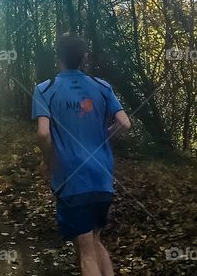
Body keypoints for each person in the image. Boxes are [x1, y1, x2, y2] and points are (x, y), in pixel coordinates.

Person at [32, 34, 132, 276]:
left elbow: (43, 134)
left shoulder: (45, 89)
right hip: (102, 176)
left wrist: (49, 161)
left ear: (58, 58)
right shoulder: (102, 86)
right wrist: (101, 137)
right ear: (83, 57)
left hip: (72, 177)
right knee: (96, 240)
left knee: (85, 251)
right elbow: (125, 124)